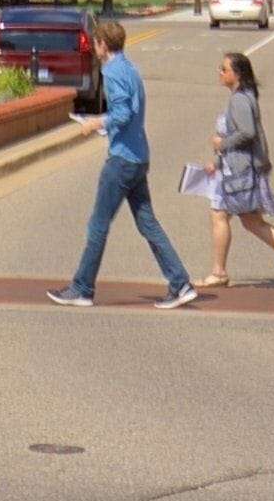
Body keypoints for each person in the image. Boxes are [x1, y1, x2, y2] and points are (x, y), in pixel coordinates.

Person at [50, 27, 198, 309]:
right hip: (138, 156)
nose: (94, 49)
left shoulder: (112, 72)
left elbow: (122, 113)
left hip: (121, 160)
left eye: (95, 44)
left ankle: (82, 288)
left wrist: (96, 123)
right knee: (147, 223)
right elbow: (129, 113)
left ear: (103, 44)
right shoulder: (130, 69)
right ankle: (180, 283)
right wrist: (101, 121)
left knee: (98, 225)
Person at [200, 52, 274, 289]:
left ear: (237, 74)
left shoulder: (239, 100)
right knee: (252, 221)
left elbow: (246, 133)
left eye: (224, 69)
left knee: (220, 214)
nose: (219, 72)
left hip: (239, 170)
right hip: (237, 167)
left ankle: (219, 273)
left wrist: (221, 144)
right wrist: (217, 163)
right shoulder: (244, 97)